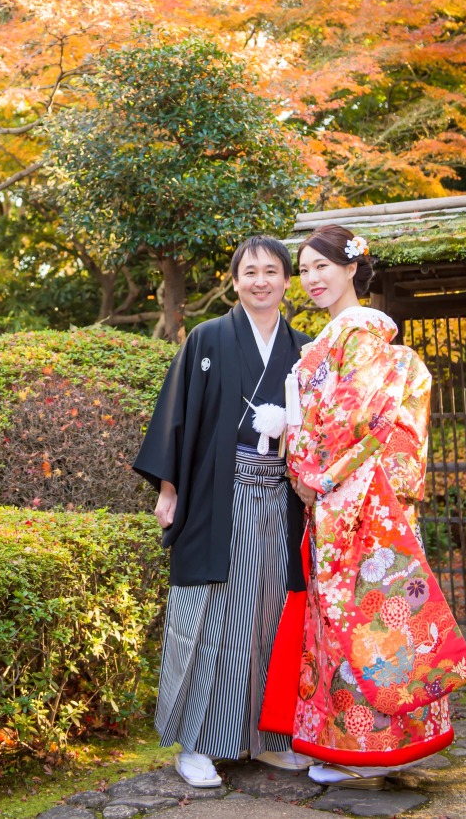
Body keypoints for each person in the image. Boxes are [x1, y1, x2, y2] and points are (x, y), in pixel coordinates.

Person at [259, 224, 466, 791]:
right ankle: (364, 743)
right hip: (346, 496)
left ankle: (369, 746)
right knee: (360, 620)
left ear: (352, 267)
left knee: (364, 620)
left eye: (321, 267)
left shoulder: (360, 332)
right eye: (304, 269)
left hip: (355, 498)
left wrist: (308, 469)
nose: (311, 279)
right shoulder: (330, 338)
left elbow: (354, 416)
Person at [133, 236, 313, 789]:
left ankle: (269, 737)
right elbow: (177, 416)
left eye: (272, 271)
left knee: (275, 613)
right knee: (210, 617)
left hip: (283, 501)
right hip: (220, 495)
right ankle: (196, 744)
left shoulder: (307, 349)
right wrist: (169, 489)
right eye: (250, 271)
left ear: (288, 281)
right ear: (235, 281)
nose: (261, 281)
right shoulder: (209, 338)